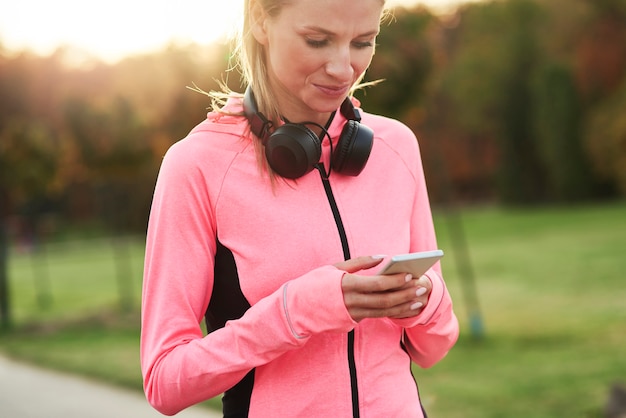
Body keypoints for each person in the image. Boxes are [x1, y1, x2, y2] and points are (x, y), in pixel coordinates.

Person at [140, 0, 459, 417]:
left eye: (363, 42)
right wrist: (298, 310)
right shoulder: (196, 166)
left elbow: (433, 346)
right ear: (260, 20)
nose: (344, 68)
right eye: (317, 41)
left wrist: (426, 297)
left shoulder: (396, 146)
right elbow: (165, 382)